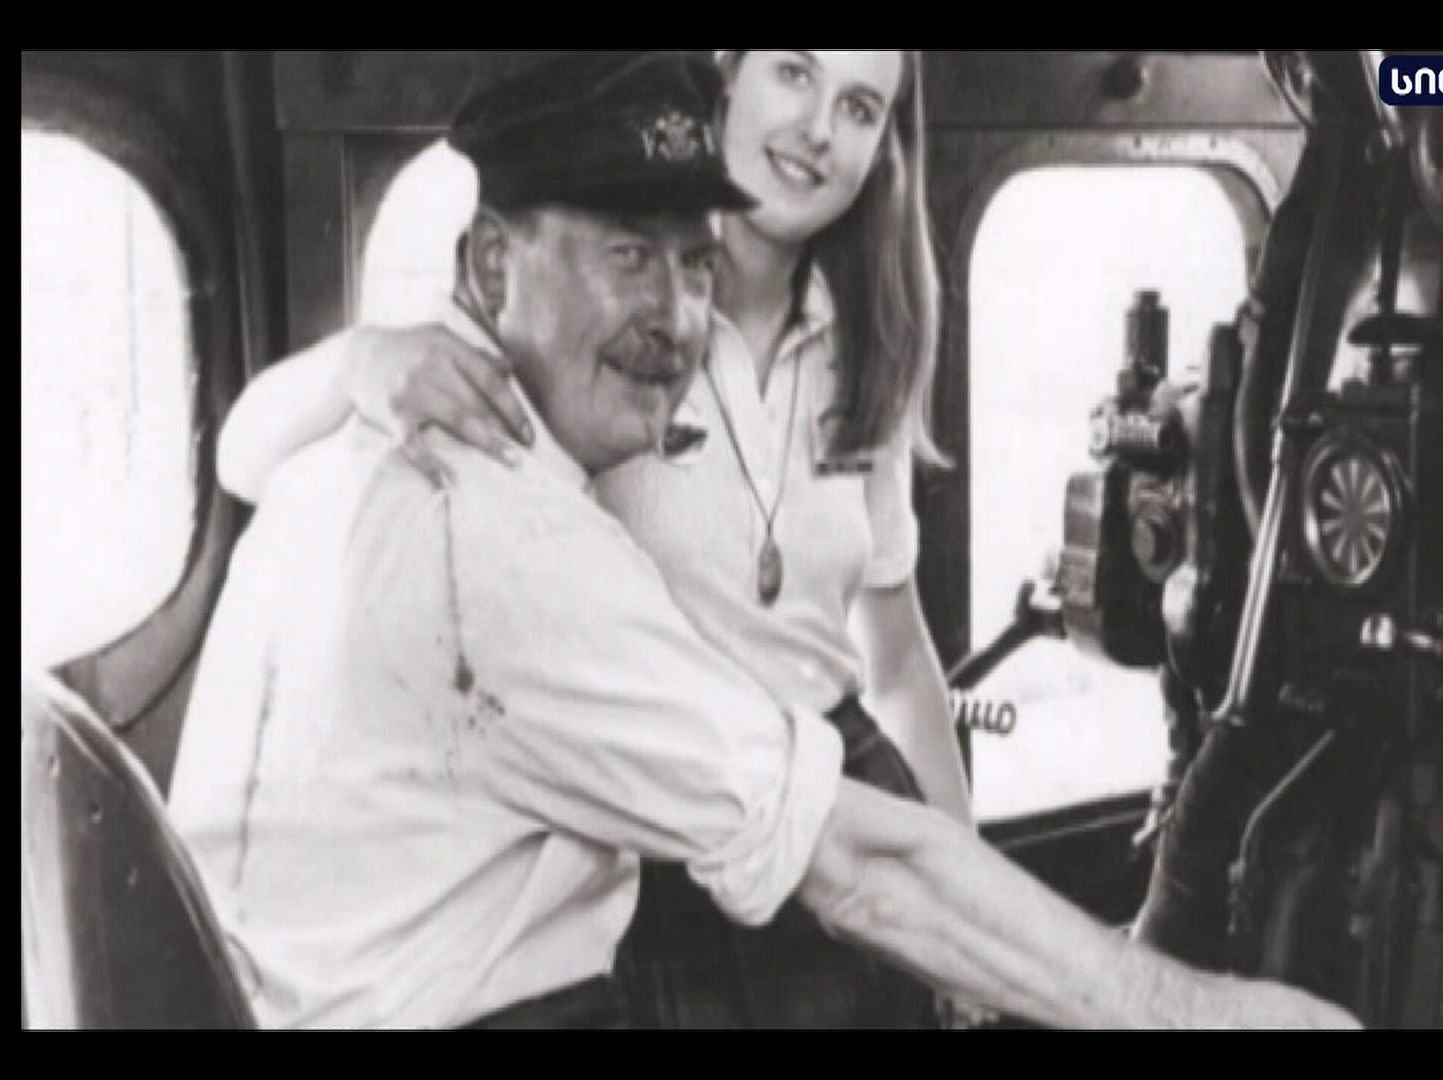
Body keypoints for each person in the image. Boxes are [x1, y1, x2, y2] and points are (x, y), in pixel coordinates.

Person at [170, 51, 1359, 1031]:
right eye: (625, 254)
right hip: (654, 871)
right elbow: (860, 869)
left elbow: (893, 665)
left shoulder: (849, 344)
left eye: (692, 263)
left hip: (734, 801)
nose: (669, 317)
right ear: (490, 264)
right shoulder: (492, 518)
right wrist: (1191, 1013)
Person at [216, 50, 960, 1027]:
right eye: (794, 73)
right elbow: (246, 458)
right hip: (658, 813)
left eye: (860, 108)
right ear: (726, 82)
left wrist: (959, 895)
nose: (819, 128)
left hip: (839, 793)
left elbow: (898, 660)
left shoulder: (869, 343)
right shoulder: (579, 333)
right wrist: (361, 361)